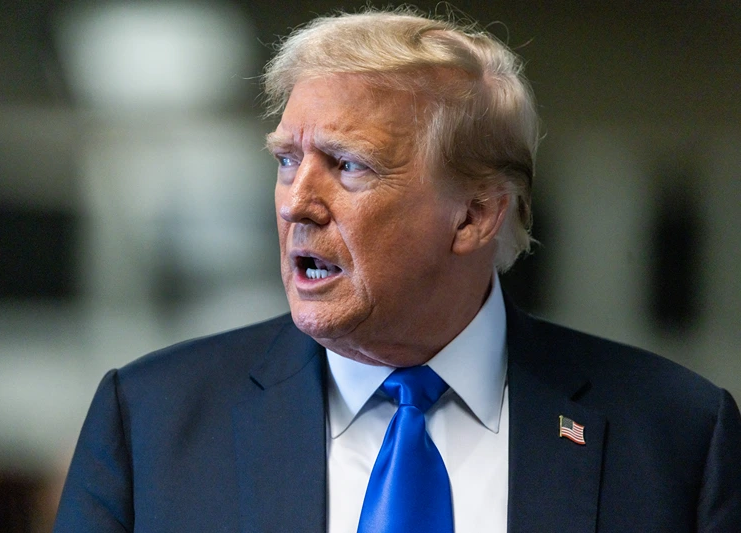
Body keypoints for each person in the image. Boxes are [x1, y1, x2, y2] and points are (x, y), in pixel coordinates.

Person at [53, 8, 741, 533]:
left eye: (348, 164)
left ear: (475, 215)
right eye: (287, 160)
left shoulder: (676, 436)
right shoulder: (150, 422)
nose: (297, 201)